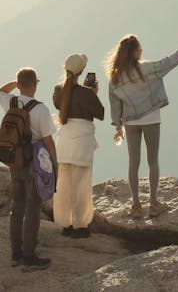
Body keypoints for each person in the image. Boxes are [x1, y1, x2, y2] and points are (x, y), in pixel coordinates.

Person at [107, 34, 178, 219]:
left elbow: (114, 104)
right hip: (151, 118)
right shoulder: (147, 68)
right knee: (153, 161)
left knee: (133, 163)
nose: (142, 51)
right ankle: (153, 204)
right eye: (139, 49)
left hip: (130, 122)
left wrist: (118, 126)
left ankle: (136, 205)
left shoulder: (115, 78)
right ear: (135, 52)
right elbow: (169, 62)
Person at [0, 68, 57, 272]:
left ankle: (16, 254)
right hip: (34, 163)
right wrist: (55, 166)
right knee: (33, 208)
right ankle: (29, 257)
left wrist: (16, 84)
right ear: (36, 84)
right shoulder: (40, 109)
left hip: (15, 161)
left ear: (19, 84)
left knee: (17, 207)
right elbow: (48, 141)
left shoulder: (11, 102)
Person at [51, 53, 105, 238]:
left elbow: (61, 104)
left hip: (64, 142)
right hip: (81, 142)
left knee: (63, 185)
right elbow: (100, 112)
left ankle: (65, 224)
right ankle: (80, 226)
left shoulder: (59, 91)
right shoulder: (85, 93)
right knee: (80, 185)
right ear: (82, 71)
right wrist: (93, 93)